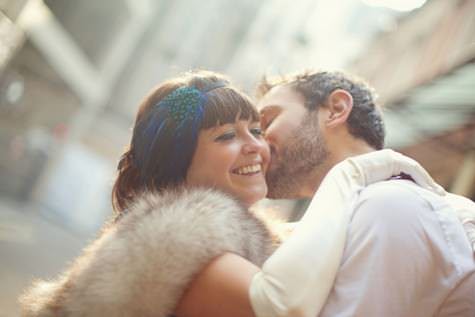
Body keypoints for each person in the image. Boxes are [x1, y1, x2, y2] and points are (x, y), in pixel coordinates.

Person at [19, 70, 446, 317]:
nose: (257, 146)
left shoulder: (246, 239)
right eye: (226, 135)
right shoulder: (178, 237)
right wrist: (350, 176)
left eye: (257, 129)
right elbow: (281, 307)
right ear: (180, 161)